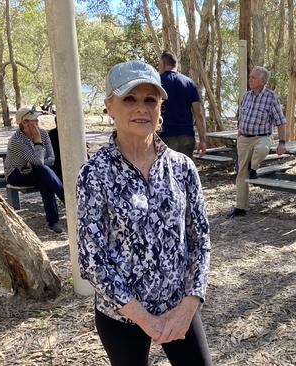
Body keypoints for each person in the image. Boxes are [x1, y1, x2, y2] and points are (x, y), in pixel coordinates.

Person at [76, 60, 212, 366]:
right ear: (110, 106)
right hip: (122, 318)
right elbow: (92, 260)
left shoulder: (182, 167)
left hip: (181, 310)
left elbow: (200, 240)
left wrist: (190, 305)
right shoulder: (94, 174)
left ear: (161, 106)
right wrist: (146, 320)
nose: (141, 108)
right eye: (129, 99)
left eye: (150, 99)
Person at [227, 66, 287, 218]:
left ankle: (253, 168)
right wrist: (240, 134)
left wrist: (282, 142)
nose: (250, 80)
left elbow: (280, 121)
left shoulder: (271, 97)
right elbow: (241, 118)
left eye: (253, 77)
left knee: (262, 149)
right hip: (244, 139)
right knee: (241, 174)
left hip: (262, 137)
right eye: (250, 77)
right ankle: (240, 207)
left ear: (263, 81)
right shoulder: (246, 96)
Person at [4, 107, 65, 233]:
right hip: (17, 174)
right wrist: (37, 142)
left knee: (44, 177)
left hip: (36, 171)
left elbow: (51, 159)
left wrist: (37, 163)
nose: (37, 122)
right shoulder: (16, 141)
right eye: (33, 120)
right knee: (43, 171)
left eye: (37, 119)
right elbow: (39, 161)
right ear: (24, 122)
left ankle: (53, 222)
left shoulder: (43, 134)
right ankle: (70, 204)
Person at [157, 50, 207, 158]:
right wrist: (202, 140)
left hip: (164, 137)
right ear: (176, 64)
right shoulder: (189, 83)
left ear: (162, 63)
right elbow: (198, 114)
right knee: (186, 171)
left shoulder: (157, 82)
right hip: (186, 136)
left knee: (165, 172)